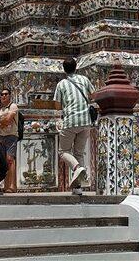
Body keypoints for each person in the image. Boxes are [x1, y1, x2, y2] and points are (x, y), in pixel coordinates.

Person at [53, 57, 95, 192]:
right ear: (76, 67)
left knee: (63, 152)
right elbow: (93, 95)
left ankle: (77, 168)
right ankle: (78, 188)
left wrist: (59, 118)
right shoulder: (84, 80)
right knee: (79, 153)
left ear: (64, 69)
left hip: (71, 121)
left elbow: (57, 105)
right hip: (86, 121)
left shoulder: (61, 84)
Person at [0, 87, 19, 192]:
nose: (4, 96)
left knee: (10, 160)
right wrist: (3, 122)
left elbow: (8, 120)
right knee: (4, 161)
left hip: (11, 136)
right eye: (2, 94)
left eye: (6, 94)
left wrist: (1, 122)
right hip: (1, 137)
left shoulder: (13, 106)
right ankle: (6, 186)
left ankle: (12, 186)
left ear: (10, 96)